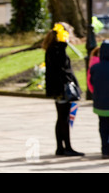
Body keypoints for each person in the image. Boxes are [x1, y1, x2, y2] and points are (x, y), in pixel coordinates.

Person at [42, 22, 84, 157]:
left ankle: (60, 147)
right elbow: (63, 69)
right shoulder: (58, 49)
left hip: (57, 89)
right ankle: (67, 147)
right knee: (64, 118)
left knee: (61, 118)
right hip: (62, 89)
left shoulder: (52, 48)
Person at [90, 41, 109, 159]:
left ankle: (105, 149)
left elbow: (92, 83)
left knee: (103, 127)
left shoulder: (95, 67)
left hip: (100, 104)